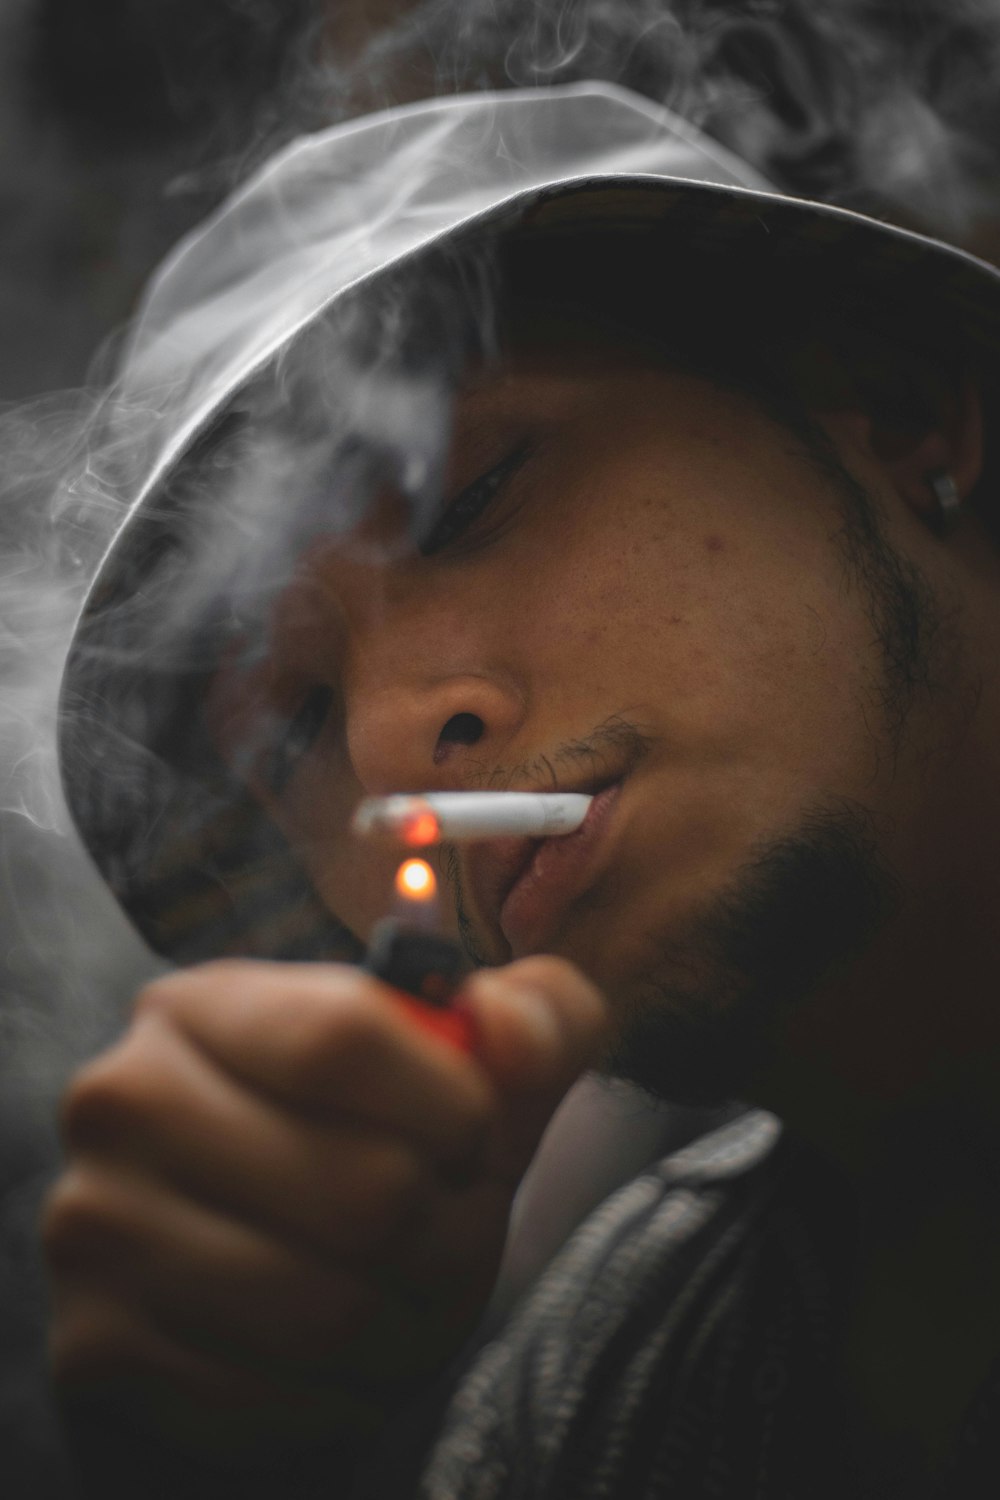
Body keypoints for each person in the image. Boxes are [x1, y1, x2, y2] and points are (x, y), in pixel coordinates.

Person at [43, 79, 1000, 1498]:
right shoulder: (606, 1394)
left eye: (471, 500)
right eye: (297, 725)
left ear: (898, 411)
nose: (386, 747)